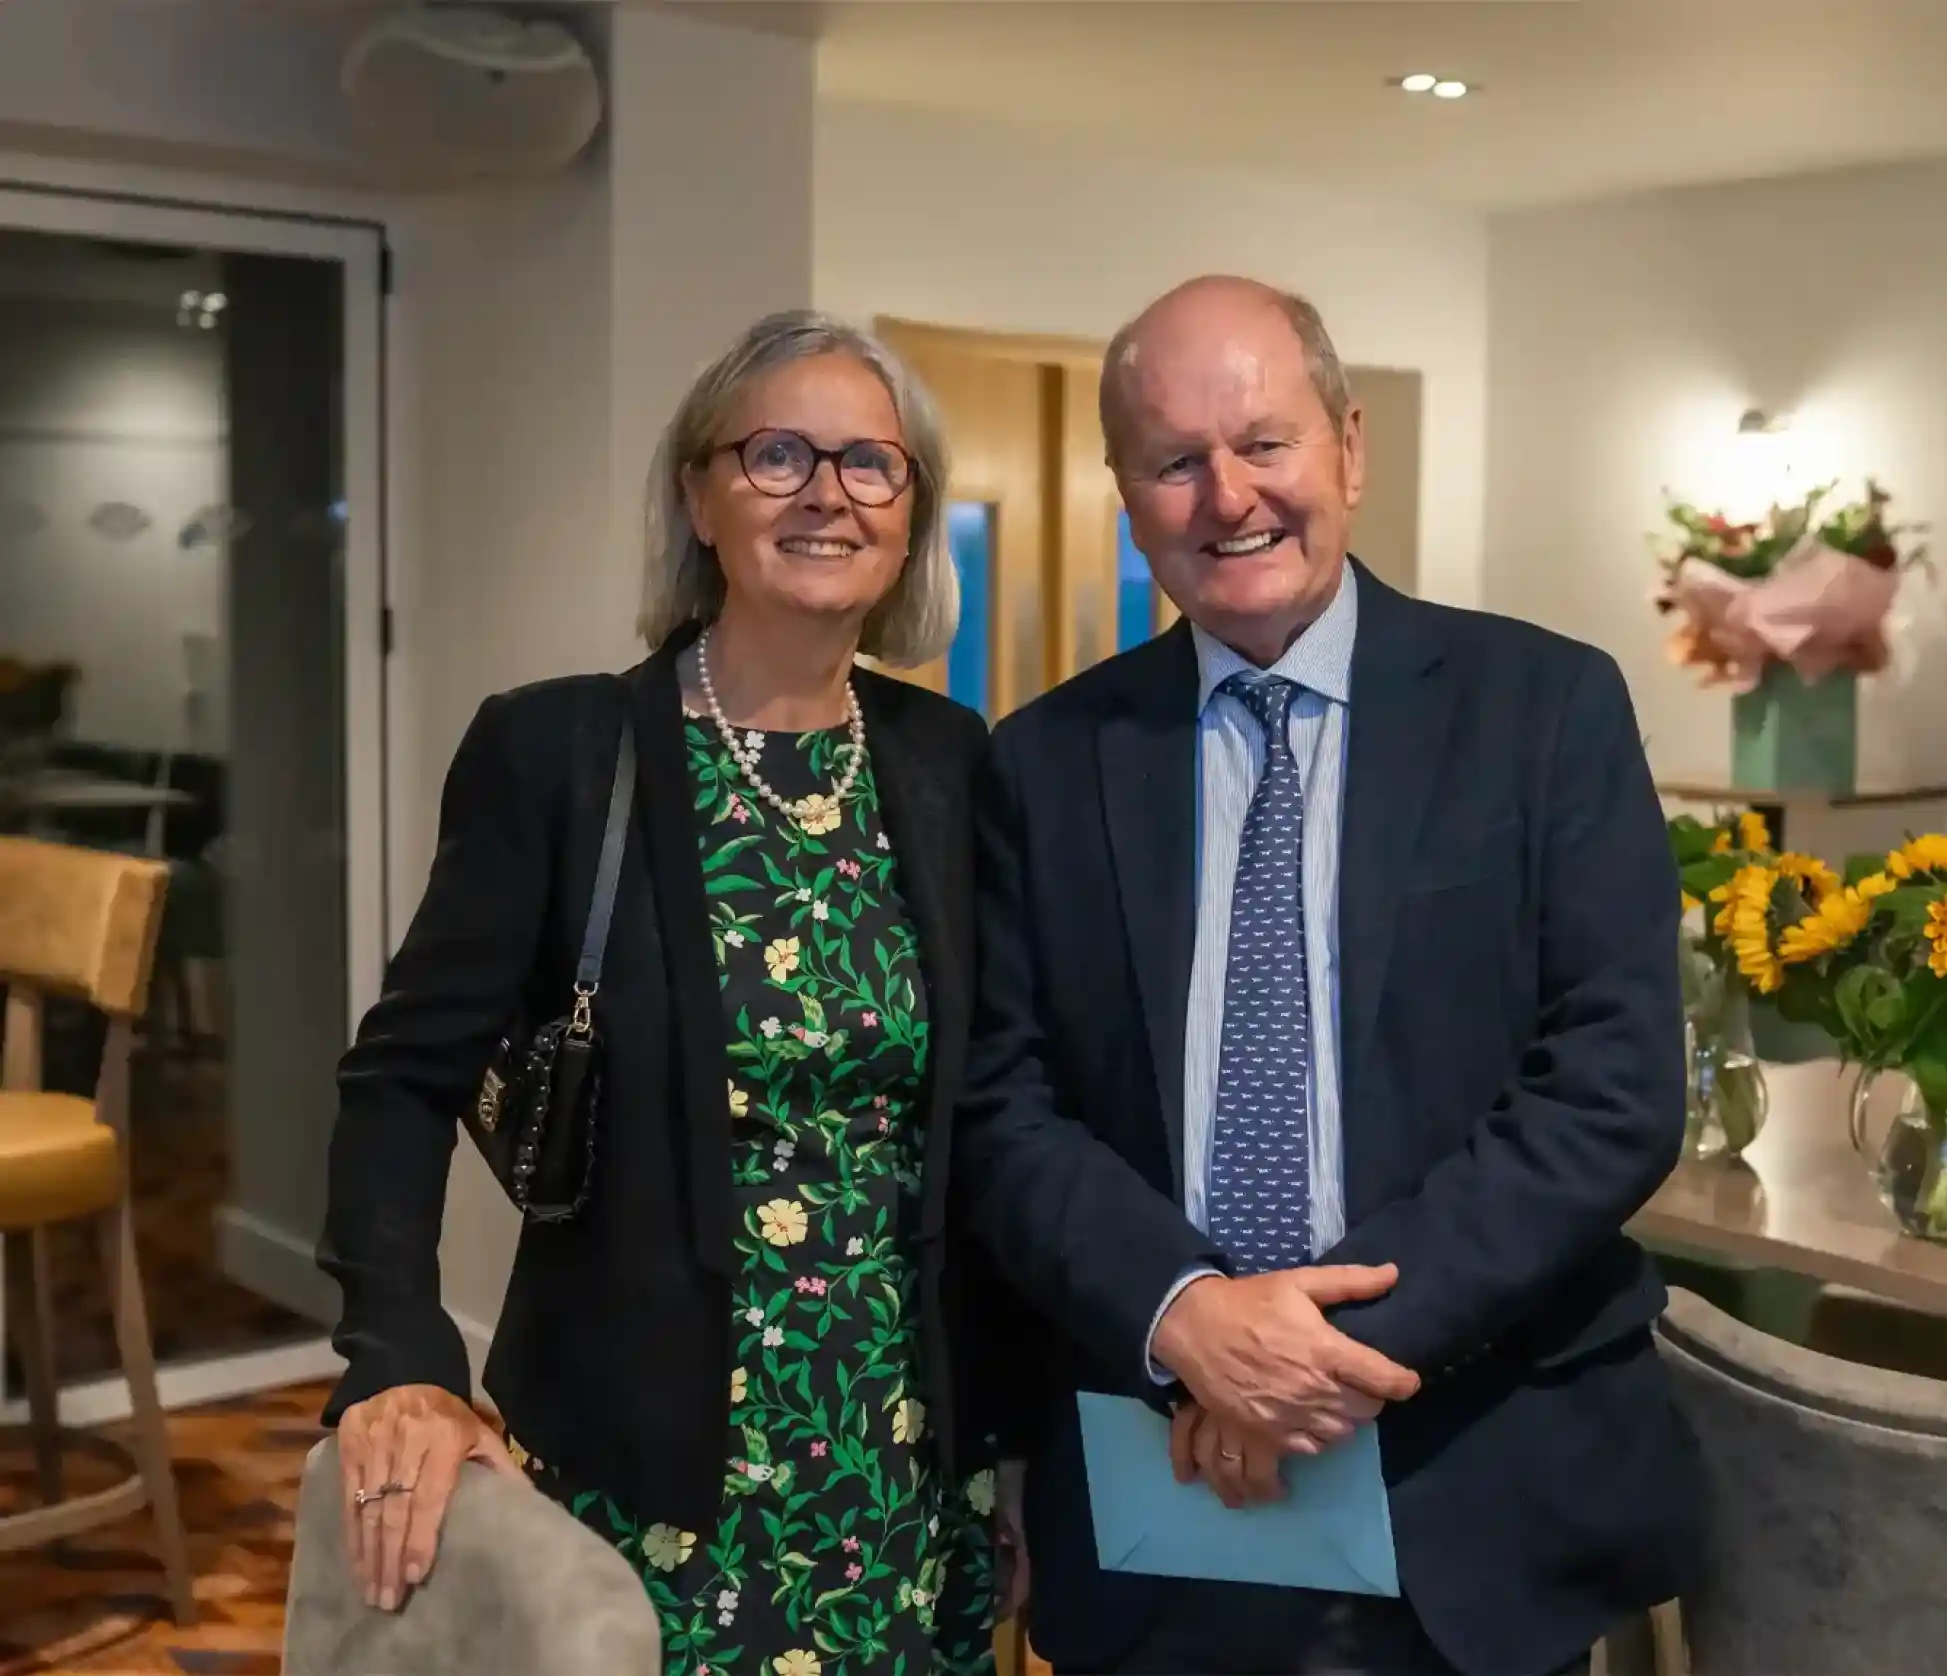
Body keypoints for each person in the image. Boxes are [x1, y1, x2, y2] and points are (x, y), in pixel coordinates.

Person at [956, 276, 1708, 1676]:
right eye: (1176, 463)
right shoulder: (1045, 761)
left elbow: (1611, 1086)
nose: (1228, 496)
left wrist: (1312, 1356)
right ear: (1129, 497)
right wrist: (1191, 1320)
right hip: (1160, 1484)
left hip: (1471, 1484)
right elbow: (1003, 1106)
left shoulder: (1544, 709)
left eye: (1264, 443)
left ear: (1350, 449)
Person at [319, 310, 1023, 1676]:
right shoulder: (559, 750)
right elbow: (400, 1081)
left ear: (909, 517)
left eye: (870, 464)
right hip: (648, 1471)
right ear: (700, 497)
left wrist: (1018, 1443)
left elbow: (990, 1125)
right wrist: (399, 1352)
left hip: (901, 1460)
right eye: (778, 454)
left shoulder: (950, 760)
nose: (826, 493)